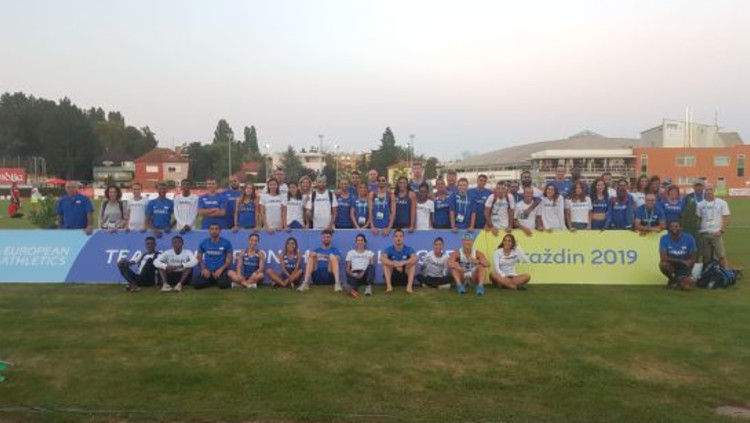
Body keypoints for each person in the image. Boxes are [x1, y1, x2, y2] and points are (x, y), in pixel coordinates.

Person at [298, 229, 346, 293]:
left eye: (328, 237)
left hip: (329, 275)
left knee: (332, 256)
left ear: (331, 238)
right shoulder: (316, 250)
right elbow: (310, 256)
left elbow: (337, 259)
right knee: (312, 256)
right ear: (321, 238)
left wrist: (322, 256)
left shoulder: (335, 250)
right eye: (324, 237)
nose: (326, 239)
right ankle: (305, 283)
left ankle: (337, 283)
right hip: (317, 276)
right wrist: (315, 255)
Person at [696, 184, 731, 268]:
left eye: (710, 189)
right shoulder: (700, 204)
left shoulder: (722, 203)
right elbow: (698, 218)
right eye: (707, 190)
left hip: (716, 233)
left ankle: (726, 273)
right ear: (705, 191)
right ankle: (707, 273)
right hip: (704, 233)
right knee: (706, 257)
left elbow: (726, 217)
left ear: (714, 190)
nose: (709, 192)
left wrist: (721, 230)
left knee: (721, 256)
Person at [659, 220, 698, 290]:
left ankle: (681, 280)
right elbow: (663, 257)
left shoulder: (689, 238)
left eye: (676, 226)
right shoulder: (664, 238)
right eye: (671, 226)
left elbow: (693, 257)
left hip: (684, 265)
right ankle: (672, 280)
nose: (673, 228)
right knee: (663, 265)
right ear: (669, 228)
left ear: (681, 228)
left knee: (687, 287)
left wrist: (688, 270)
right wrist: (681, 261)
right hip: (672, 263)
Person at [195, 223, 233, 290]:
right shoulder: (203, 242)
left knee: (223, 285)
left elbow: (229, 260)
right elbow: (199, 258)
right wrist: (204, 269)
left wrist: (220, 270)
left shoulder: (226, 242)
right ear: (209, 231)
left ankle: (216, 280)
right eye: (212, 229)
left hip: (220, 270)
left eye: (216, 229)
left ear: (220, 231)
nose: (214, 231)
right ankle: (213, 279)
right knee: (197, 285)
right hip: (208, 270)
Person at [381, 229, 418, 293]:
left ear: (403, 238)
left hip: (405, 276)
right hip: (393, 277)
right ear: (393, 238)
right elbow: (382, 258)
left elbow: (415, 258)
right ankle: (389, 287)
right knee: (385, 264)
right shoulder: (389, 249)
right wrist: (394, 264)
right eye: (396, 236)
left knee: (412, 264)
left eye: (400, 236)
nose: (398, 238)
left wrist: (403, 263)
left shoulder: (408, 249)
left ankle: (409, 287)